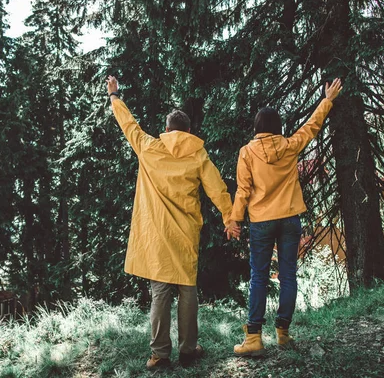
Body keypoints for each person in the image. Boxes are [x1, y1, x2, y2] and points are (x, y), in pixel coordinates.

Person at [106, 76, 239, 369]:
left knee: (160, 294)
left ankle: (160, 355)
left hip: (157, 235)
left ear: (166, 130)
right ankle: (188, 350)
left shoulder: (149, 147)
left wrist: (115, 96)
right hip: (186, 234)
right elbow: (217, 188)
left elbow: (129, 126)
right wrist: (230, 218)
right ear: (189, 131)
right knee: (187, 290)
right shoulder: (198, 153)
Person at [231, 78, 343, 356]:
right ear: (278, 128)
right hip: (290, 219)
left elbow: (243, 190)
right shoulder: (290, 145)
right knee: (288, 275)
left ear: (257, 128)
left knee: (258, 277)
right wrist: (327, 100)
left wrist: (234, 220)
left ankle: (254, 338)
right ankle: (283, 333)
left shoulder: (247, 152)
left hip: (261, 221)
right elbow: (312, 127)